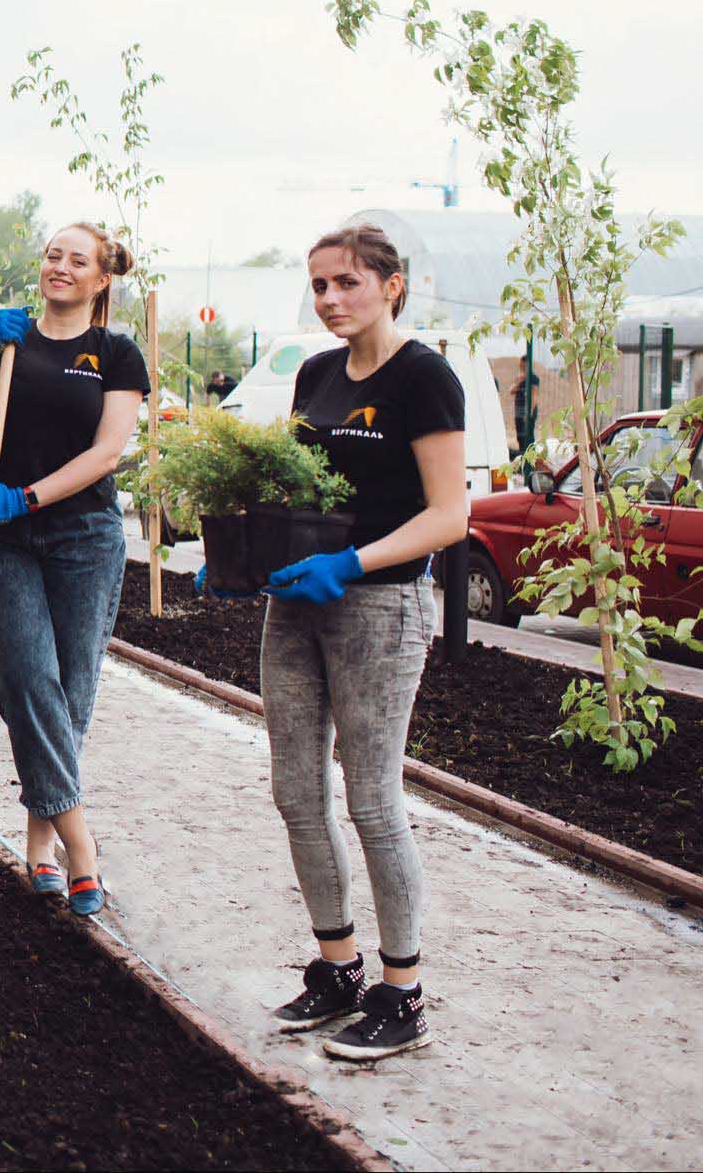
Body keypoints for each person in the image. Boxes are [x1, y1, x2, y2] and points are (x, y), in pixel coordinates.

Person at [240, 223, 465, 1061]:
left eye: (347, 283)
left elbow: (450, 516)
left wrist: (352, 560)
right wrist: (245, 550)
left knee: (371, 798)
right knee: (296, 793)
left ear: (391, 285)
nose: (331, 299)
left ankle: (402, 991)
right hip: (297, 605)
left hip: (381, 607)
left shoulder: (425, 377)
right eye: (320, 286)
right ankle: (337, 967)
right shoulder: (316, 373)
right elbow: (298, 490)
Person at [0, 223, 147, 917]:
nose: (59, 267)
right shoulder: (7, 336)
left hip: (83, 533)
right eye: (53, 255)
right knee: (28, 678)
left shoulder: (115, 354)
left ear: (101, 278)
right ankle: (82, 848)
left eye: (75, 260)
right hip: (2, 540)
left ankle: (39, 842)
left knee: (69, 693)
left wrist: (27, 495)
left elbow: (108, 451)